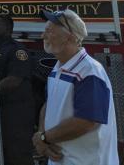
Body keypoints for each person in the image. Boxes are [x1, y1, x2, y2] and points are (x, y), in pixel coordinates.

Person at [33, 9, 119, 164]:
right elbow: (49, 103)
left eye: (49, 31)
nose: (42, 36)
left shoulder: (90, 71)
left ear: (70, 37)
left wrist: (45, 138)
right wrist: (41, 133)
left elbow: (86, 121)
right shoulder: (59, 67)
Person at [0, 14, 34, 165]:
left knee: (17, 153)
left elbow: (14, 80)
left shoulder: (17, 51)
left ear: (8, 28)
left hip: (16, 112)